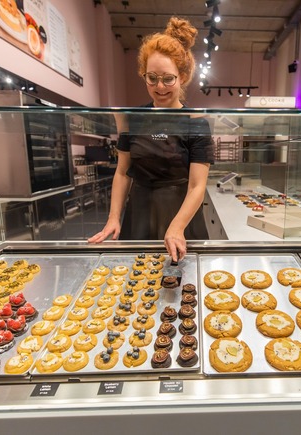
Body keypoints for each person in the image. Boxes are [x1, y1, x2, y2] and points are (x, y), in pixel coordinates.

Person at [88, 17, 214, 262]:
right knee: (135, 285)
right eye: (152, 78)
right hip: (140, 210)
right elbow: (123, 172)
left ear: (183, 76)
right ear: (143, 75)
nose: (160, 87)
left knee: (183, 288)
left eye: (168, 78)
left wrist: (177, 227)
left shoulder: (196, 121)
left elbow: (198, 185)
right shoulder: (132, 119)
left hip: (182, 212)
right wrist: (113, 217)